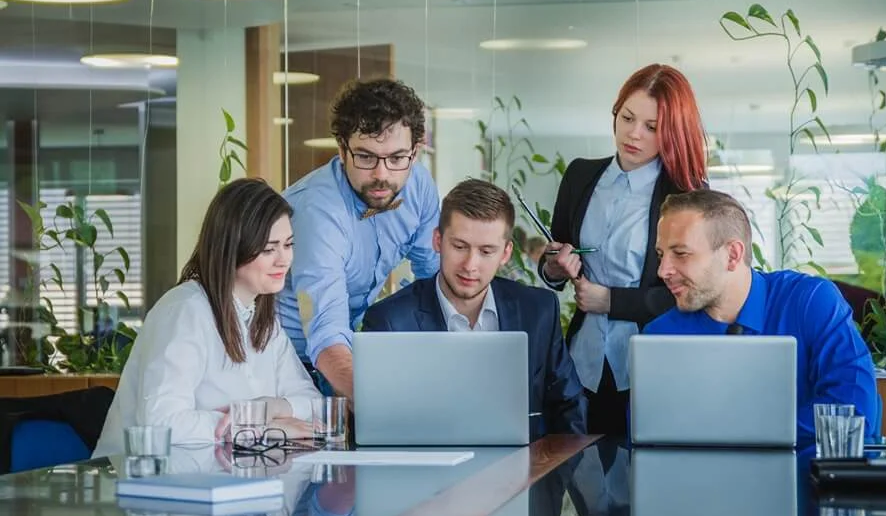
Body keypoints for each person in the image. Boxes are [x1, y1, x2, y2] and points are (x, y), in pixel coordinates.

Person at [539, 63, 709, 436]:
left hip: (651, 367)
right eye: (627, 118)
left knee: (645, 483)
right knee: (580, 482)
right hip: (582, 363)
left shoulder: (686, 197)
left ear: (673, 133)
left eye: (652, 127)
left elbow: (695, 295)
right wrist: (553, 268)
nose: (633, 134)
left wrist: (611, 301)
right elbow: (557, 255)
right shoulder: (581, 176)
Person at [94, 179, 321, 456]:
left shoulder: (262, 319)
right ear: (233, 247)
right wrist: (259, 428)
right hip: (149, 484)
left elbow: (314, 404)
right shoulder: (186, 310)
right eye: (268, 249)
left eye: (288, 244)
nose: (284, 259)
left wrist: (270, 408)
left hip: (226, 480)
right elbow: (161, 424)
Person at [644, 189, 882, 441]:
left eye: (680, 253)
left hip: (810, 478)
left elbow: (854, 416)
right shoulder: (660, 337)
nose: (663, 271)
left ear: (732, 255)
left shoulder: (811, 302)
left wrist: (725, 430)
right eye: (661, 255)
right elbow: (650, 436)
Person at [363, 179, 586, 435]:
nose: (470, 265)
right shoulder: (389, 322)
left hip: (526, 469)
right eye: (459, 247)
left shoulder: (538, 311)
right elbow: (381, 426)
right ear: (438, 241)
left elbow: (569, 408)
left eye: (486, 251)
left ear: (505, 253)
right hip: (429, 471)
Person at [278, 78, 441, 398]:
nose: (382, 175)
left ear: (415, 151)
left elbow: (433, 280)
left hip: (349, 349)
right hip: (289, 362)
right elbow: (325, 330)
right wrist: (378, 405)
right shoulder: (320, 212)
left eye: (396, 158)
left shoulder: (418, 185)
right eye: (366, 157)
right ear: (342, 149)